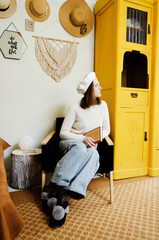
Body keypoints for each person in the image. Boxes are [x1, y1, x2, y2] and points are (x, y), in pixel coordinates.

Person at [41, 72, 110, 228]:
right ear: (89, 89)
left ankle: (64, 198)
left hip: (89, 146)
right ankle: (54, 185)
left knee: (93, 154)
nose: (101, 87)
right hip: (71, 143)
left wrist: (96, 139)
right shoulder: (75, 107)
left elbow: (106, 129)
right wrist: (83, 139)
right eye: (97, 84)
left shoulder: (103, 106)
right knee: (80, 147)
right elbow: (63, 133)